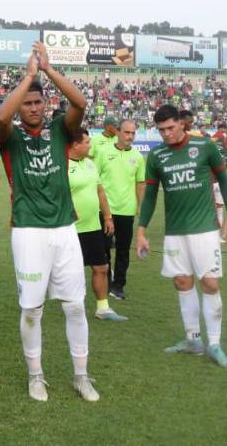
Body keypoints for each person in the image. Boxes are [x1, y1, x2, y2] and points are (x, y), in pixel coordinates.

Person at [0, 42, 98, 403]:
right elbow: (2, 119)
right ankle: (35, 375)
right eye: (28, 102)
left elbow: (80, 103)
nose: (34, 108)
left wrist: (49, 71)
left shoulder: (59, 129)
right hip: (28, 231)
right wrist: (28, 77)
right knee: (32, 310)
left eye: (38, 102)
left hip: (64, 229)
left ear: (46, 104)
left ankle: (81, 376)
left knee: (74, 306)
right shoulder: (11, 136)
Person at [135, 104, 227, 369]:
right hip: (175, 232)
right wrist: (142, 230)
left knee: (210, 284)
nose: (167, 134)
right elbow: (150, 197)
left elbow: (224, 181)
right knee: (182, 282)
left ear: (182, 123)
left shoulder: (204, 146)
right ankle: (193, 339)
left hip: (204, 229)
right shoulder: (157, 156)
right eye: (161, 130)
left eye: (170, 127)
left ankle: (214, 343)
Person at [68, 129, 126, 322]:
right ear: (75, 144)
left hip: (93, 227)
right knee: (70, 272)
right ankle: (71, 307)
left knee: (101, 267)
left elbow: (100, 191)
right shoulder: (62, 166)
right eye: (86, 142)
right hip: (71, 230)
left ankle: (103, 308)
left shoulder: (91, 164)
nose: (90, 145)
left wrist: (108, 217)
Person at [95, 119, 145, 301]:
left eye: (133, 133)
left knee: (123, 250)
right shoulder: (103, 152)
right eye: (126, 132)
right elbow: (96, 181)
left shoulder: (138, 158)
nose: (130, 136)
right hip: (106, 210)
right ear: (118, 132)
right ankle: (106, 282)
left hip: (126, 211)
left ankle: (119, 286)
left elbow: (140, 184)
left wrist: (141, 206)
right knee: (104, 249)